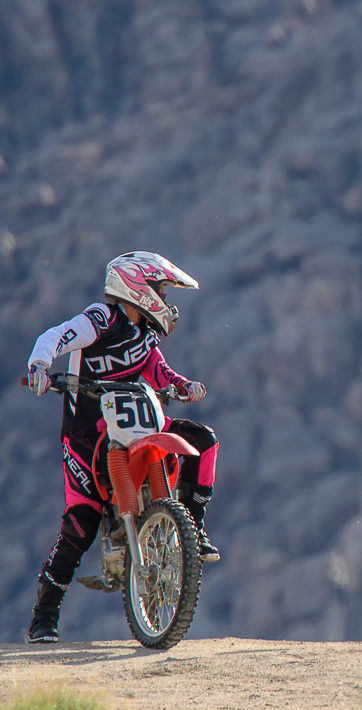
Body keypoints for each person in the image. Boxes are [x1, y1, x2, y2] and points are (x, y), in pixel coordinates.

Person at [23, 251, 220, 644]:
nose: (166, 298)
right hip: (87, 434)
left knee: (203, 440)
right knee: (82, 520)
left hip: (139, 426)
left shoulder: (145, 336)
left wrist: (184, 387)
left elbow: (162, 373)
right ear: (139, 288)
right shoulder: (102, 318)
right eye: (161, 289)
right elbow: (55, 336)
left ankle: (191, 526)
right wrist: (40, 367)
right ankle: (44, 615)